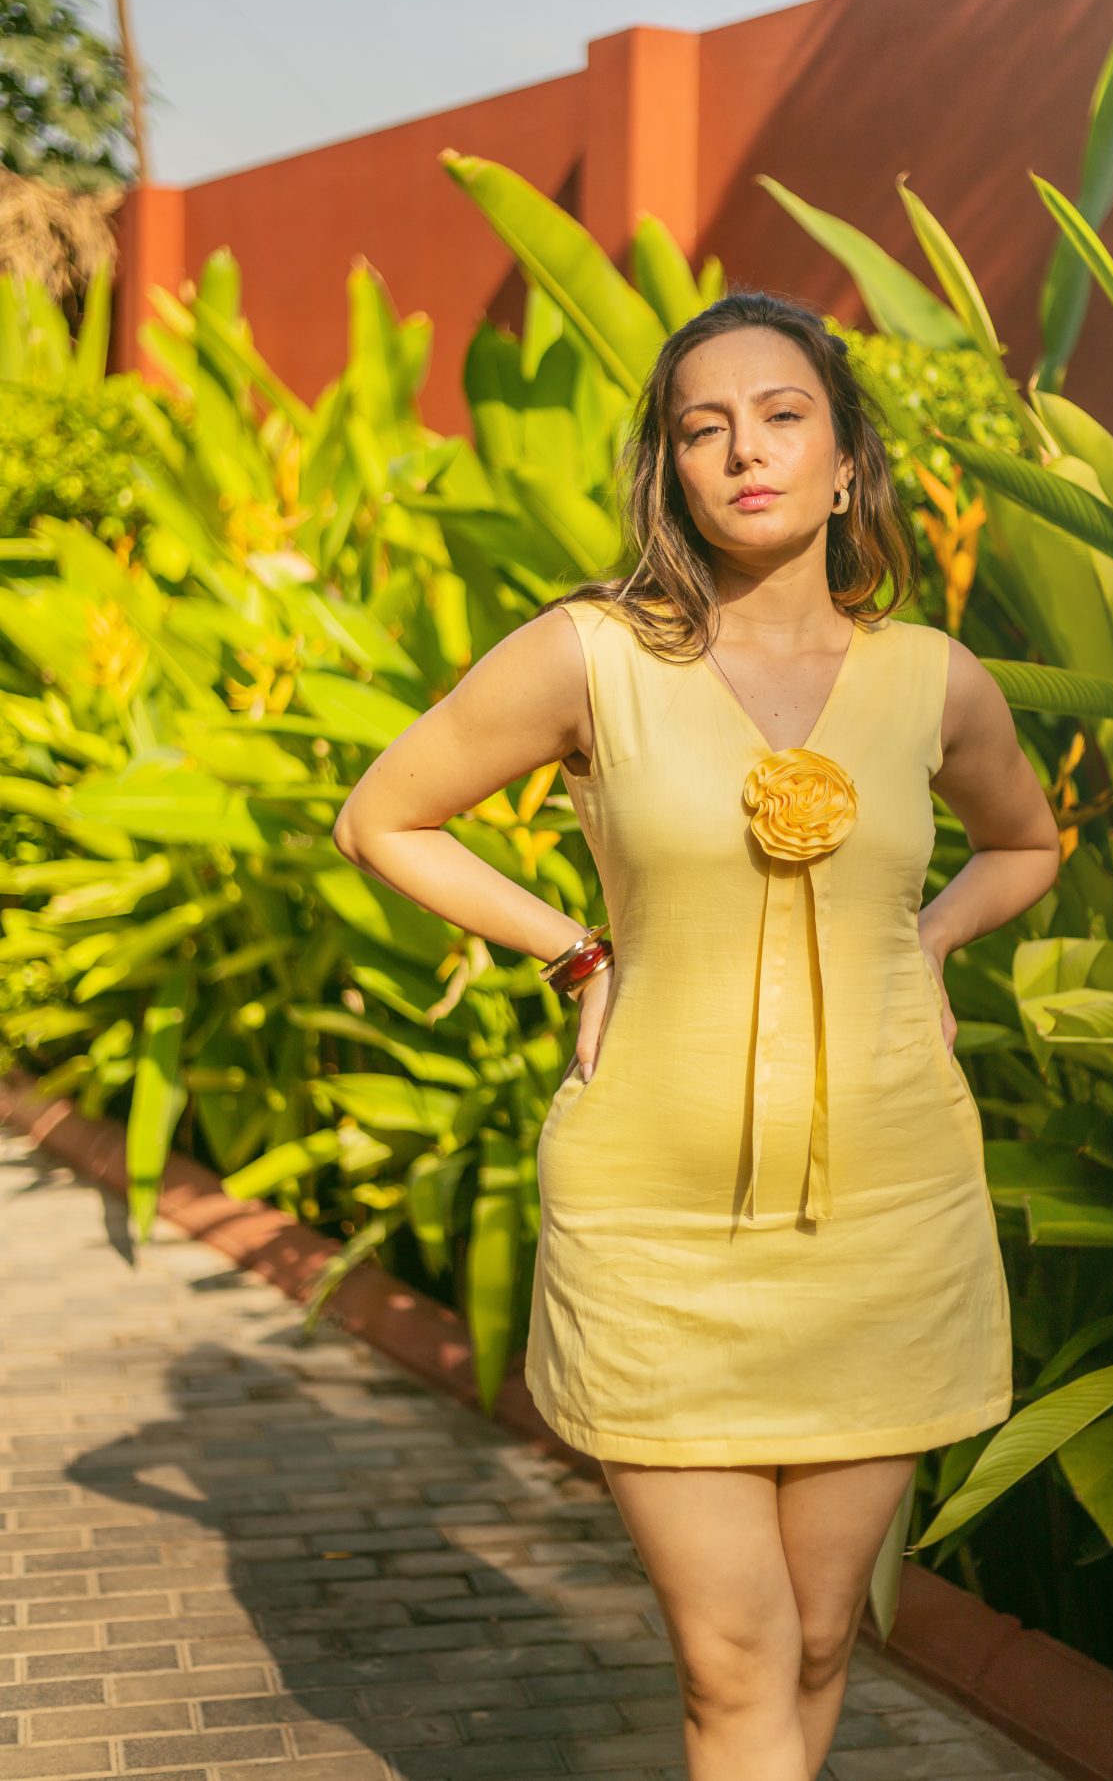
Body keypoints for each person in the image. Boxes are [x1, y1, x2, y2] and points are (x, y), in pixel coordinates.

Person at [334, 291, 1060, 1781]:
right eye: (701, 426)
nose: (744, 451)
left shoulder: (932, 678)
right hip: (654, 1222)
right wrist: (573, 947)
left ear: (846, 463)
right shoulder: (590, 657)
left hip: (887, 1217)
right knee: (734, 1657)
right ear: (669, 468)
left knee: (817, 1635)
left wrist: (925, 938)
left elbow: (1026, 843)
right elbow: (383, 817)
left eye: (782, 416)